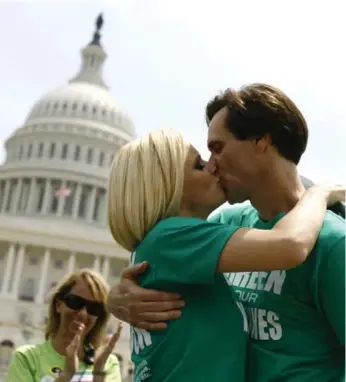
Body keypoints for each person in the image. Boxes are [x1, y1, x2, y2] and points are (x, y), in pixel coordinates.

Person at [107, 84, 345, 382]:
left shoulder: (334, 241)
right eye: (201, 162)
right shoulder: (225, 226)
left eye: (217, 148)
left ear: (261, 141)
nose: (212, 165)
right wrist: (113, 298)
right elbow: (287, 245)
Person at [6, 269, 123, 382]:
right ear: (58, 305)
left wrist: (98, 374)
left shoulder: (107, 364)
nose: (83, 313)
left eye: (94, 308)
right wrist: (66, 375)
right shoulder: (27, 358)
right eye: (75, 302)